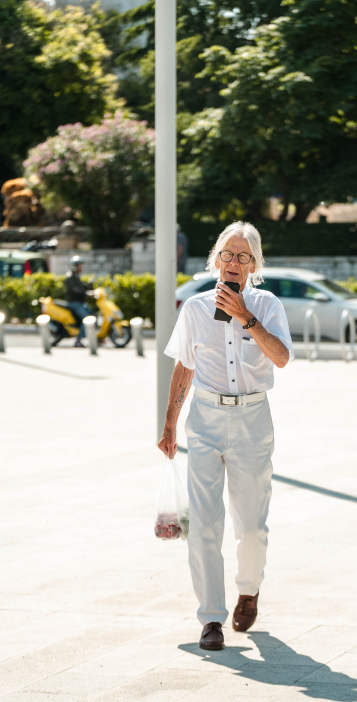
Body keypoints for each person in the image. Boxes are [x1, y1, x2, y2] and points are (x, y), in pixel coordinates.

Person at [158, 221, 293, 652]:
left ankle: (249, 590)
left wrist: (245, 317)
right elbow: (184, 366)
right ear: (216, 260)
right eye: (228, 255)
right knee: (203, 525)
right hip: (206, 419)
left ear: (254, 266)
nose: (234, 263)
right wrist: (169, 425)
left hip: (253, 420)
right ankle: (211, 618)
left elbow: (282, 358)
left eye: (244, 257)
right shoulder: (195, 309)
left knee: (251, 527)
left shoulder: (267, 305)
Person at [64, 255, 94, 348]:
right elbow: (76, 290)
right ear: (75, 266)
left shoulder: (76, 277)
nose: (81, 267)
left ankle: (97, 338)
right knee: (86, 318)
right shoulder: (69, 278)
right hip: (74, 303)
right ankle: (78, 340)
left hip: (80, 303)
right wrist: (87, 293)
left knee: (93, 315)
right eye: (80, 265)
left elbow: (82, 287)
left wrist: (90, 286)